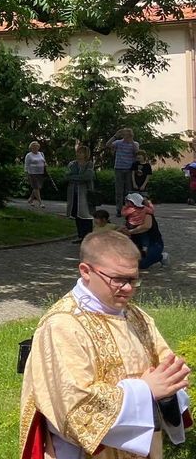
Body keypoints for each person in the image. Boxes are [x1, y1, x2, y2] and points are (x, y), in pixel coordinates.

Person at [19, 230, 190, 458]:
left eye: (133, 279)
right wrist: (145, 391)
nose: (128, 288)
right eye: (118, 279)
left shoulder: (135, 316)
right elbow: (74, 406)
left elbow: (165, 371)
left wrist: (171, 386)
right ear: (86, 271)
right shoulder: (63, 325)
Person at [121, 193, 167, 270]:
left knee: (142, 264)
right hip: (136, 241)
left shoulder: (146, 212)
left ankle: (161, 256)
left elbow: (146, 226)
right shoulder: (130, 212)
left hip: (153, 242)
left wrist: (130, 232)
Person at [66, 145, 96, 241]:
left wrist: (75, 178)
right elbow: (67, 176)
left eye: (81, 152)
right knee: (76, 214)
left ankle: (88, 236)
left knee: (86, 214)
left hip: (85, 192)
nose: (79, 154)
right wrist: (77, 177)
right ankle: (80, 235)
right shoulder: (72, 164)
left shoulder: (89, 164)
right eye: (78, 152)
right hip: (73, 192)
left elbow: (87, 177)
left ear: (85, 154)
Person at [110, 128, 140, 217]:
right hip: (119, 168)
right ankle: (119, 210)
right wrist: (115, 136)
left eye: (128, 135)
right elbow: (108, 145)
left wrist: (131, 142)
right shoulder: (118, 142)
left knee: (129, 191)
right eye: (125, 135)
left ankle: (129, 209)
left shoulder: (134, 144)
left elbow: (137, 152)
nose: (126, 137)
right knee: (119, 190)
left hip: (129, 169)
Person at [25, 141, 48, 209]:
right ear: (31, 147)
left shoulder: (41, 154)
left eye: (37, 146)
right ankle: (41, 202)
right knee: (36, 187)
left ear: (38, 147)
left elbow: (44, 161)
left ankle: (31, 199)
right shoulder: (29, 155)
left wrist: (45, 164)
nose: (35, 147)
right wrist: (26, 172)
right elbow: (26, 165)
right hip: (32, 173)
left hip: (40, 173)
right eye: (34, 146)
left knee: (38, 187)